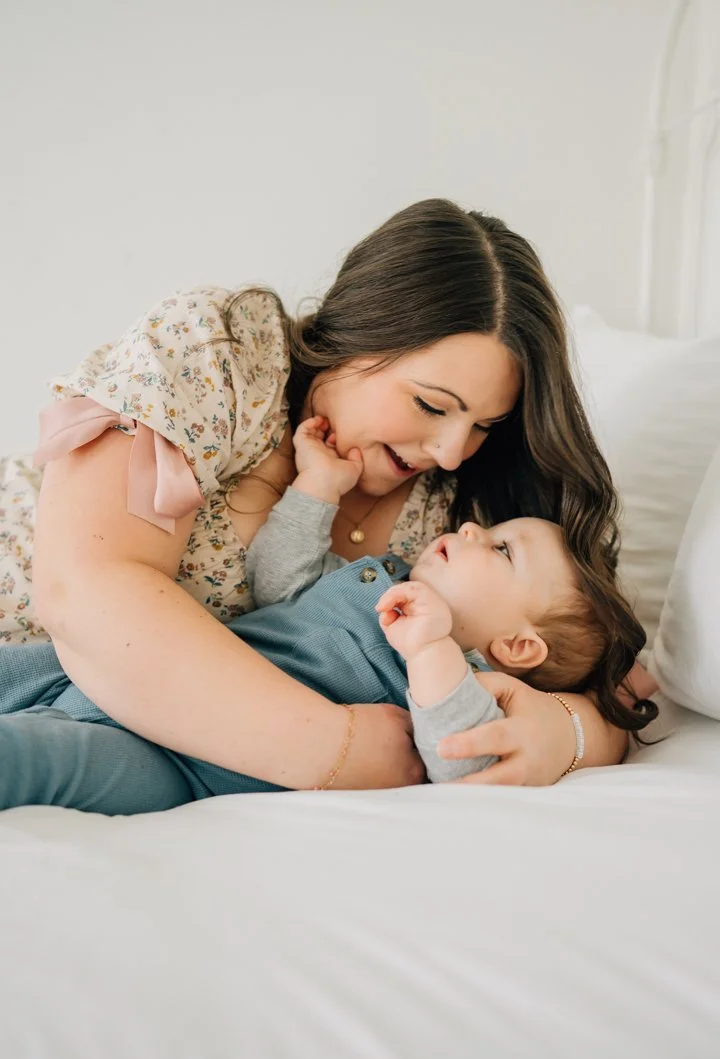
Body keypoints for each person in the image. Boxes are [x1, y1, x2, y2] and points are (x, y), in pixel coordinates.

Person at [0, 198, 654, 793]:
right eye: (431, 404)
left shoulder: (468, 511)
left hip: (124, 738)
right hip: (36, 656)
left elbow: (592, 667)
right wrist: (332, 748)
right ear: (362, 334)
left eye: (485, 424)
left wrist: (566, 732)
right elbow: (88, 593)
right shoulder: (230, 358)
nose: (455, 451)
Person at [0, 414, 653, 812]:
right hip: (128, 679)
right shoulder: (383, 577)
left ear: (518, 646)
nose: (475, 533)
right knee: (19, 671)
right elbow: (282, 583)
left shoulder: (469, 679)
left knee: (42, 759)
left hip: (183, 765)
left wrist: (430, 651)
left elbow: (461, 762)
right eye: (489, 528)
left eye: (503, 549)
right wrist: (317, 488)